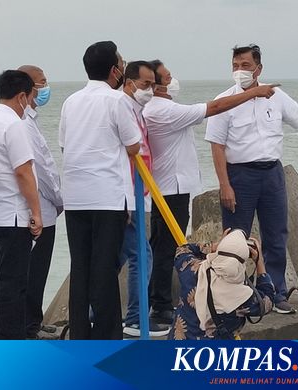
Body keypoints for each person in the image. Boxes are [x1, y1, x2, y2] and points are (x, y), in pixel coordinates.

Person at [205, 44, 298, 315]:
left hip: (272, 174)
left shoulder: (276, 97)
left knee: (276, 235)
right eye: (235, 66)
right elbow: (216, 145)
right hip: (239, 175)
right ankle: (233, 297)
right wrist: (224, 184)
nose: (240, 71)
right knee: (235, 240)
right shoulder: (225, 100)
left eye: (245, 65)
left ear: (258, 68)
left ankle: (275, 293)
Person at [142, 60, 279, 325]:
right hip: (173, 188)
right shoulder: (165, 110)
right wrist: (253, 92)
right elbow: (214, 108)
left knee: (159, 245)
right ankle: (160, 306)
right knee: (168, 248)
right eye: (168, 78)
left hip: (163, 187)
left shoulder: (154, 108)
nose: (173, 80)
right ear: (156, 86)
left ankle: (154, 299)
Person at [59, 41, 142, 339]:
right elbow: (134, 145)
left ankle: (80, 334)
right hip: (107, 195)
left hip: (75, 196)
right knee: (105, 269)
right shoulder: (116, 100)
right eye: (121, 63)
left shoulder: (71, 101)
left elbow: (64, 144)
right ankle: (107, 336)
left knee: (80, 268)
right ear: (114, 70)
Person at [0, 70, 43, 339]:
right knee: (13, 286)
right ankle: (11, 342)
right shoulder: (14, 125)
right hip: (13, 216)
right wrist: (36, 212)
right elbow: (23, 172)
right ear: (22, 96)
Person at [117, 60, 168, 337]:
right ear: (129, 83)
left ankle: (95, 311)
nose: (150, 90)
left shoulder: (137, 110)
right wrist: (126, 198)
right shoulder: (122, 108)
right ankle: (136, 318)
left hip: (140, 192)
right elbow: (126, 152)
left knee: (119, 256)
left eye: (152, 84)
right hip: (130, 194)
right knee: (141, 254)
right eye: (146, 84)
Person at [16, 65, 63, 339]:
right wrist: (58, 198)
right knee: (33, 270)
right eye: (42, 83)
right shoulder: (24, 123)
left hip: (43, 207)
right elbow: (41, 170)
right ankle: (29, 326)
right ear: (29, 88)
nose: (46, 88)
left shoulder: (30, 119)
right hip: (41, 208)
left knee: (38, 270)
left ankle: (34, 320)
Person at [169, 229, 275, 340]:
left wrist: (214, 246)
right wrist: (259, 262)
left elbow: (182, 250)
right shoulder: (242, 296)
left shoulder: (192, 269)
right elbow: (267, 302)